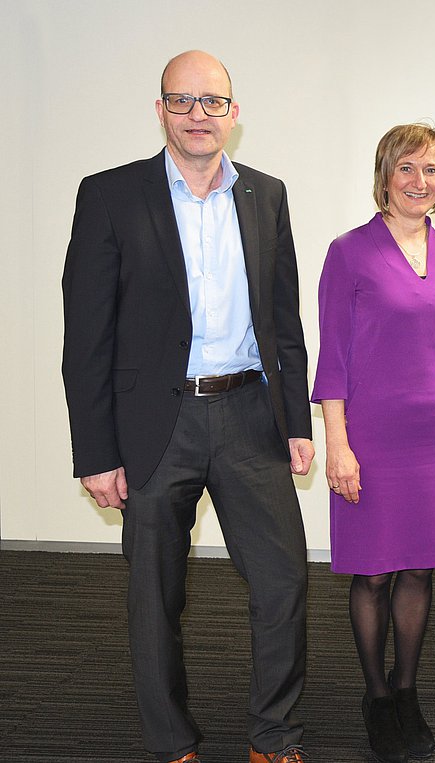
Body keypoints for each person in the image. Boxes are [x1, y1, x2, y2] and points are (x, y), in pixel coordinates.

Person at [61, 50, 312, 763]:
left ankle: (275, 736)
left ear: (234, 114)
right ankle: (172, 742)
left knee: (284, 582)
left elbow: (284, 322)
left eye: (212, 102)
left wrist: (296, 420)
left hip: (250, 419)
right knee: (156, 596)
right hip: (152, 427)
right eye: (182, 101)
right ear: (160, 110)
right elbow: (88, 335)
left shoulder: (267, 194)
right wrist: (96, 450)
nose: (197, 115)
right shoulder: (110, 195)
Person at [312, 123, 435, 762]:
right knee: (373, 571)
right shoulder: (350, 252)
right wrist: (338, 444)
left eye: (433, 170)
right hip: (371, 437)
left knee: (419, 566)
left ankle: (409, 691)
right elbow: (331, 359)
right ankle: (378, 695)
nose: (421, 182)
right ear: (385, 174)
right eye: (408, 168)